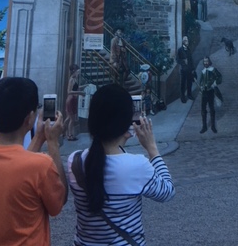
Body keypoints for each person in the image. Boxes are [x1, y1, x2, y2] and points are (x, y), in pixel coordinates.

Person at [67, 83, 175, 246]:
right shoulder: (137, 165)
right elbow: (167, 192)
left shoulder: (74, 161)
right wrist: (152, 147)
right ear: (127, 125)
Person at [0, 77, 67, 246]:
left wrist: (39, 137)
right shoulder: (41, 165)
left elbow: (17, 167)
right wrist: (53, 143)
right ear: (30, 118)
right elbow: (58, 203)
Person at [199, 56, 222, 134]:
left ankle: (213, 126)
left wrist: (214, 83)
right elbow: (201, 81)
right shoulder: (203, 71)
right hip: (204, 93)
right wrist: (201, 87)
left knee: (212, 109)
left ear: (209, 62)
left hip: (210, 92)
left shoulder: (213, 70)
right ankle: (204, 126)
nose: (205, 63)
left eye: (207, 61)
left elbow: (219, 77)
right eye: (204, 61)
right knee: (203, 110)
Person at [65, 63, 85, 141]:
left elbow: (76, 88)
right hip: (70, 100)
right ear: (74, 71)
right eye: (77, 71)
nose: (78, 73)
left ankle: (64, 131)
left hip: (73, 99)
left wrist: (85, 86)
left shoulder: (74, 79)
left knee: (68, 118)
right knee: (72, 119)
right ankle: (70, 136)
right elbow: (69, 91)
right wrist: (80, 93)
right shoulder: (71, 79)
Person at [176, 36, 195, 103]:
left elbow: (191, 60)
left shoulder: (188, 49)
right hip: (183, 70)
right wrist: (183, 61)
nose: (187, 41)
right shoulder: (180, 50)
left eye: (187, 40)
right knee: (183, 84)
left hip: (189, 69)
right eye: (186, 40)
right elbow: (177, 60)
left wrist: (193, 69)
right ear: (183, 41)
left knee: (189, 82)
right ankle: (183, 97)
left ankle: (189, 95)